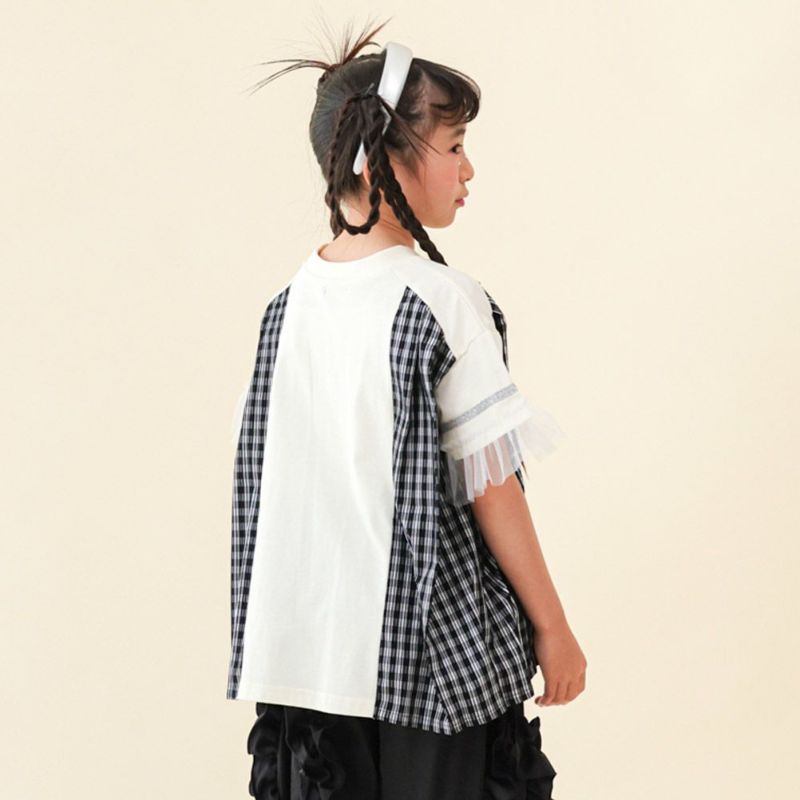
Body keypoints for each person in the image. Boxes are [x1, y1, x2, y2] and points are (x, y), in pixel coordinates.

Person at [227, 18, 587, 800]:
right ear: (382, 159)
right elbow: (493, 487)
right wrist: (553, 627)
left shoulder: (285, 310)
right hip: (430, 669)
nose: (468, 169)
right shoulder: (442, 301)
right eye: (453, 146)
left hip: (308, 667)